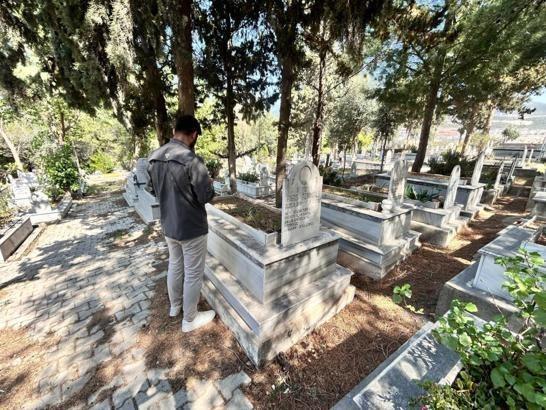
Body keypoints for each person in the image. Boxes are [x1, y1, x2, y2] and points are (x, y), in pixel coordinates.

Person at [147, 114, 216, 332]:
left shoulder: (154, 157)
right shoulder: (191, 160)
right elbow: (205, 196)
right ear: (194, 134)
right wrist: (209, 184)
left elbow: (152, 189)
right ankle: (189, 319)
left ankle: (175, 307)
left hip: (169, 225)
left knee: (175, 265)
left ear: (174, 131)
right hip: (192, 227)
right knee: (193, 273)